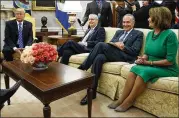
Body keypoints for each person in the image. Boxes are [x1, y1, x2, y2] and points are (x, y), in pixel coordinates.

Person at [108, 7, 179, 112]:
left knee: (143, 71)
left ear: (158, 18)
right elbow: (147, 53)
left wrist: (149, 62)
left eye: (150, 17)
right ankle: (121, 99)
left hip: (168, 68)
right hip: (151, 64)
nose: (148, 19)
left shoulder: (170, 35)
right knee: (134, 69)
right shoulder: (150, 34)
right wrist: (143, 58)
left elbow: (170, 60)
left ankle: (129, 101)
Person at [78, 14, 144, 105]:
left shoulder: (138, 34)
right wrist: (115, 44)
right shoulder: (119, 32)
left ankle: (83, 67)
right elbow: (111, 43)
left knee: (101, 44)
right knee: (99, 58)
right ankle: (92, 91)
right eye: (124, 22)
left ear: (133, 23)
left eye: (128, 22)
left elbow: (135, 51)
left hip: (125, 56)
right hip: (113, 53)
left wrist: (123, 47)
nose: (125, 24)